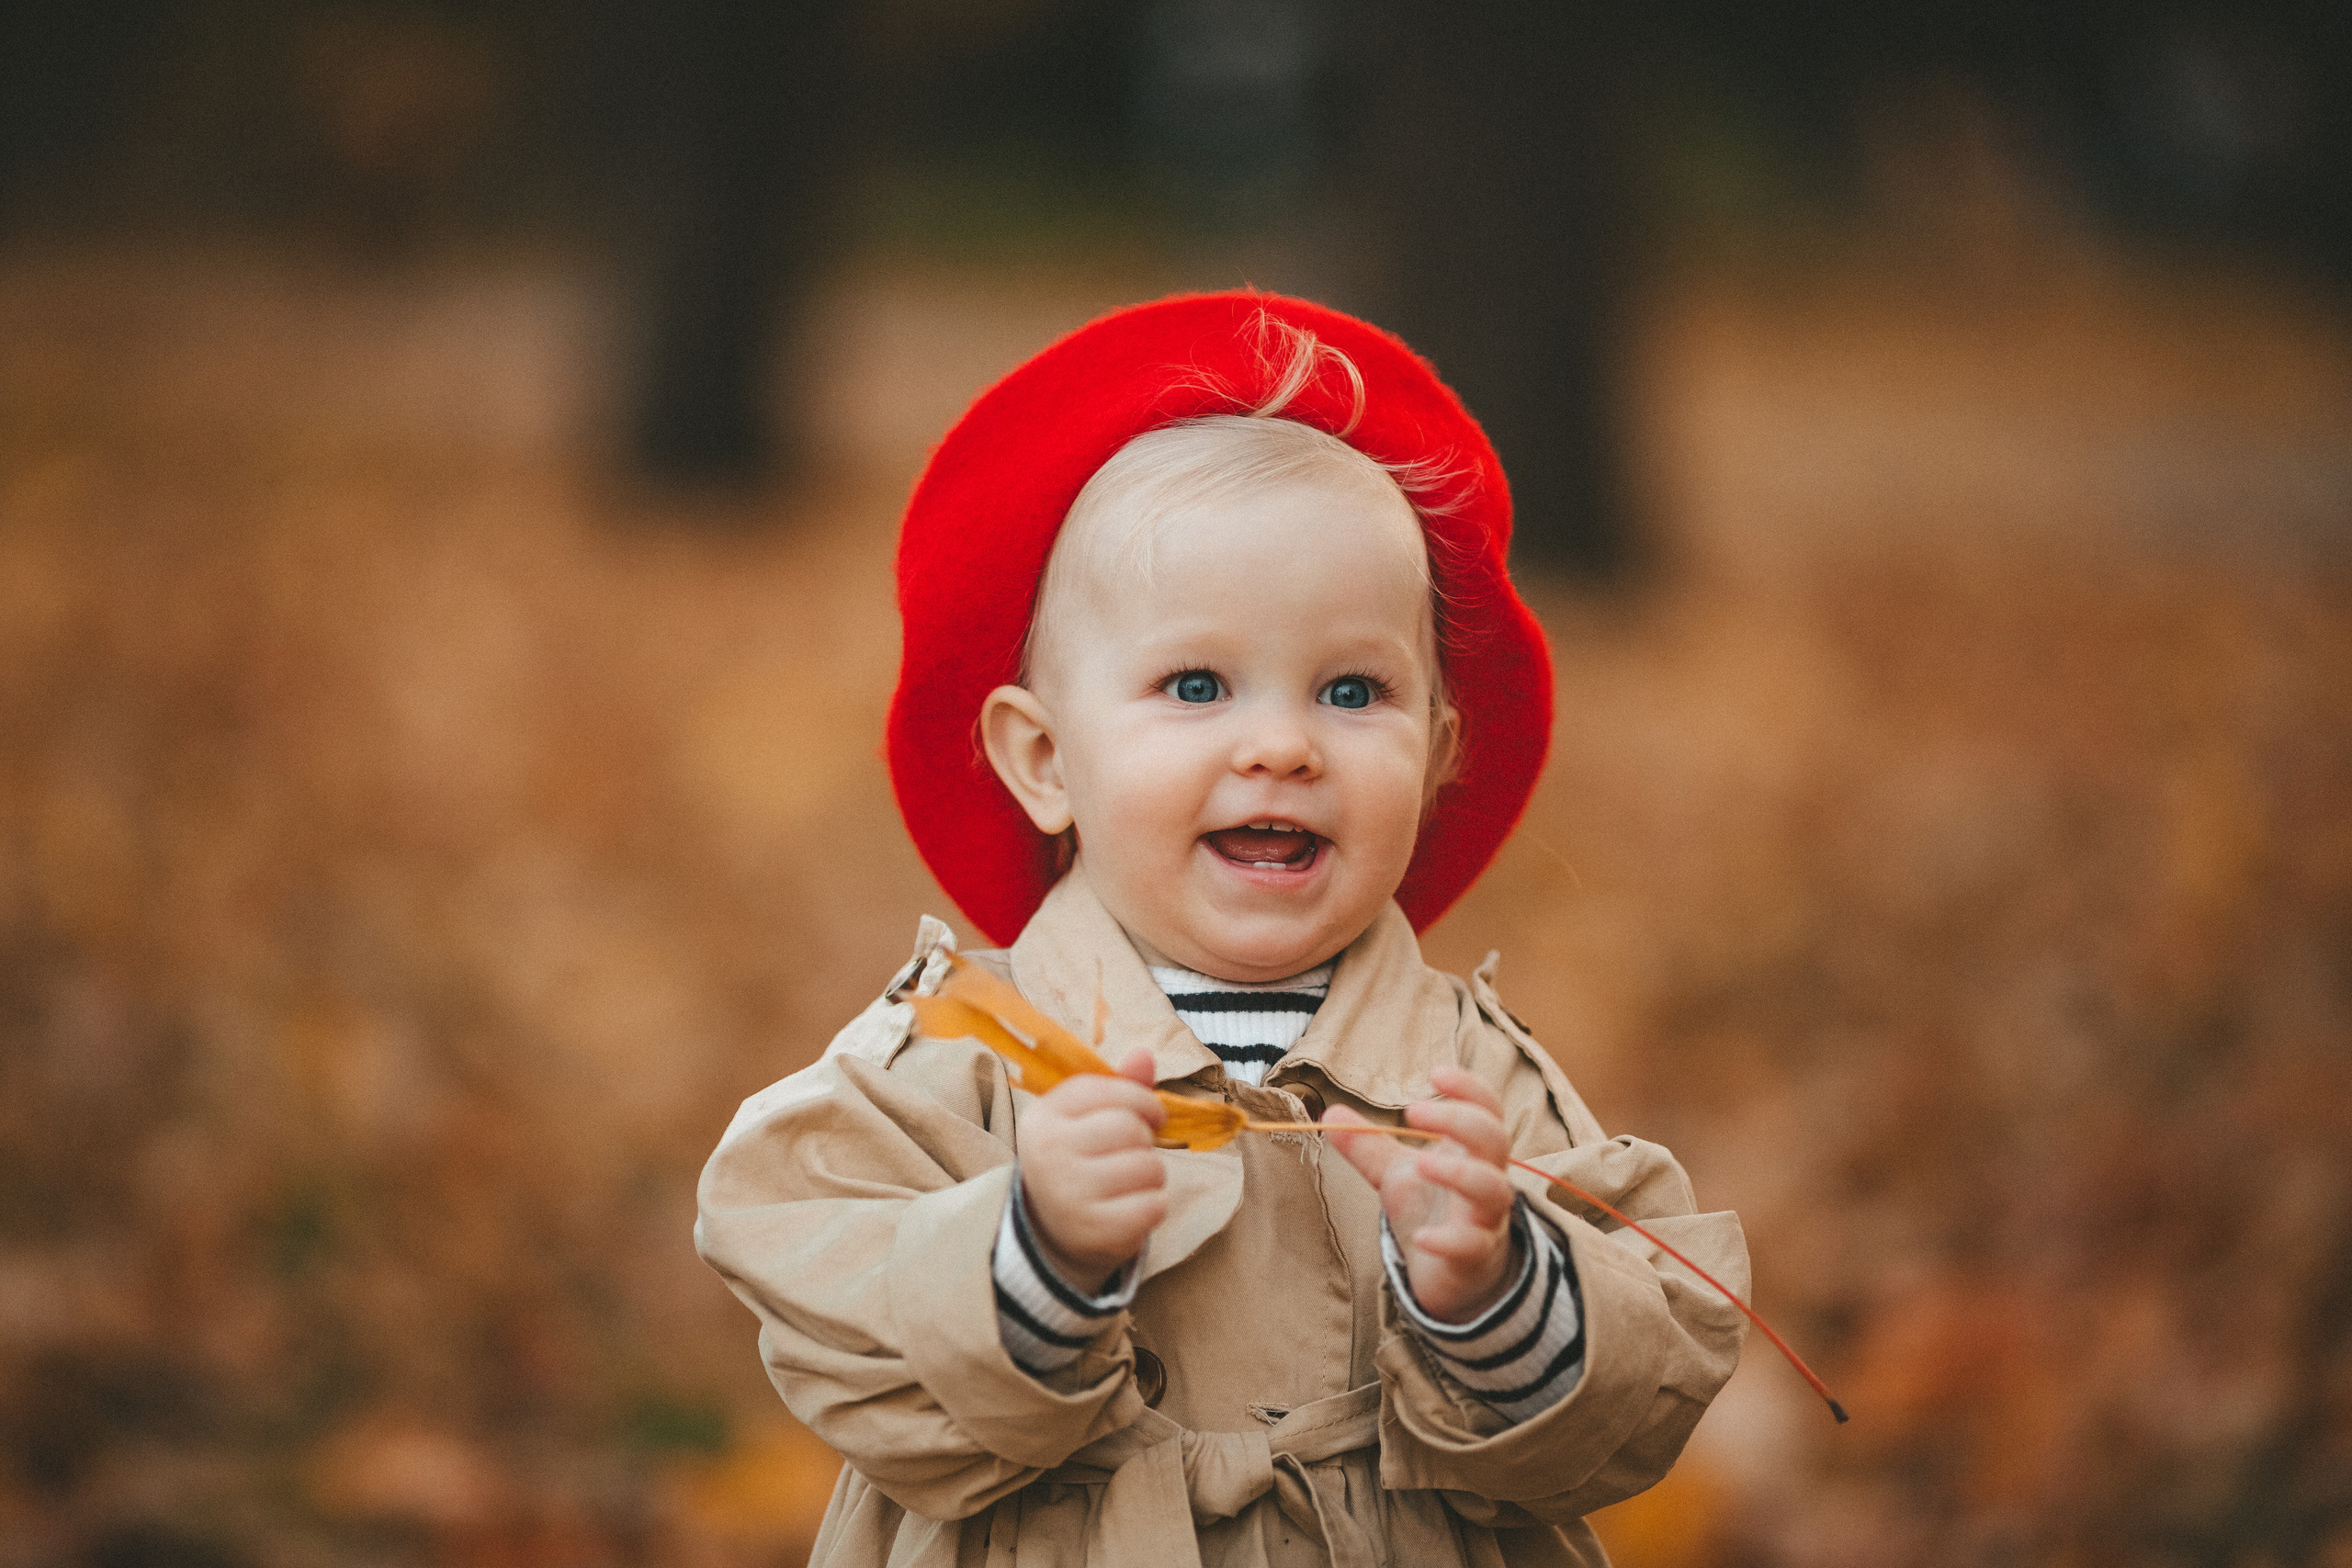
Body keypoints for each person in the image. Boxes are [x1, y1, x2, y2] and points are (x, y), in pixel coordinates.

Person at [695, 291, 1747, 1567]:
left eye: (1353, 690)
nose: (1281, 745)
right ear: (1044, 760)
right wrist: (1032, 1255)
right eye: (1195, 685)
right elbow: (820, 1279)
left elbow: (1641, 1395)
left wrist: (1499, 1291)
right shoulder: (967, 1051)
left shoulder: (1466, 1072)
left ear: (1436, 757)